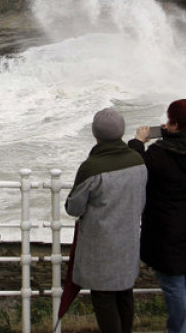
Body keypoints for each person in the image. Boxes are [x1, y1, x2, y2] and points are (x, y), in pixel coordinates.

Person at [128, 99, 186, 333]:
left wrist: (138, 142)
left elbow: (135, 166)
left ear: (175, 123)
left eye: (170, 120)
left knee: (174, 283)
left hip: (165, 228)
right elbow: (183, 155)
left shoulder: (160, 154)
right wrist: (173, 134)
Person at [65, 108, 147, 333]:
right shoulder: (138, 160)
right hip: (128, 241)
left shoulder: (91, 167)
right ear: (121, 132)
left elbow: (74, 207)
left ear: (95, 134)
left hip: (101, 247)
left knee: (104, 299)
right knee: (125, 294)